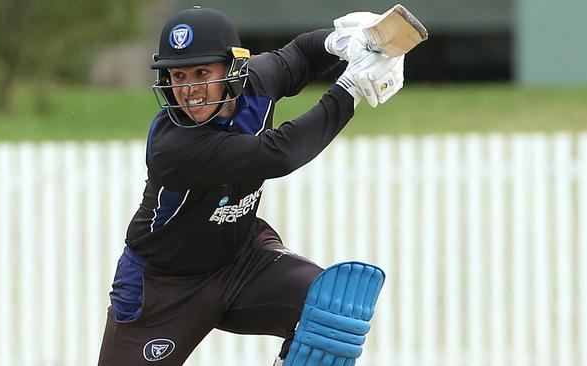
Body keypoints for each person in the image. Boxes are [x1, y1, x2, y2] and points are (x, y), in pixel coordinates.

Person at [99, 6, 403, 366]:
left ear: (233, 70)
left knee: (328, 308)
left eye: (201, 72)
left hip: (242, 261)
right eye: (178, 76)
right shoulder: (173, 146)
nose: (190, 90)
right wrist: (349, 89)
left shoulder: (256, 81)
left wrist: (342, 42)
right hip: (164, 285)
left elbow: (301, 53)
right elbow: (281, 153)